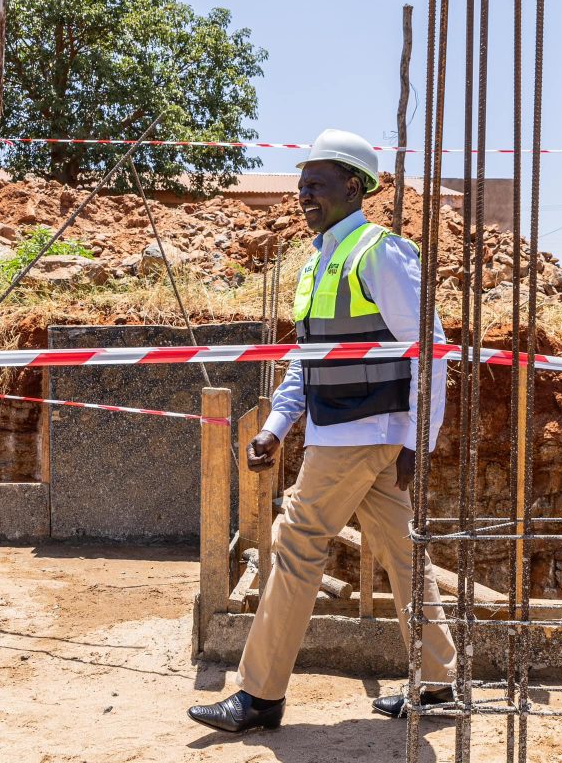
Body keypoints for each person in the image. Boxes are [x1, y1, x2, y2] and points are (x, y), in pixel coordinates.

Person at [187, 129, 457, 733]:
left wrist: (421, 439)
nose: (303, 192)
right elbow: (308, 357)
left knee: (296, 543)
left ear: (354, 186)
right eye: (301, 183)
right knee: (404, 555)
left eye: (317, 183)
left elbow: (431, 350)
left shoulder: (379, 252)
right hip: (349, 431)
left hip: (360, 433)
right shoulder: (319, 261)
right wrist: (279, 425)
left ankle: (259, 696)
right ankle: (436, 684)